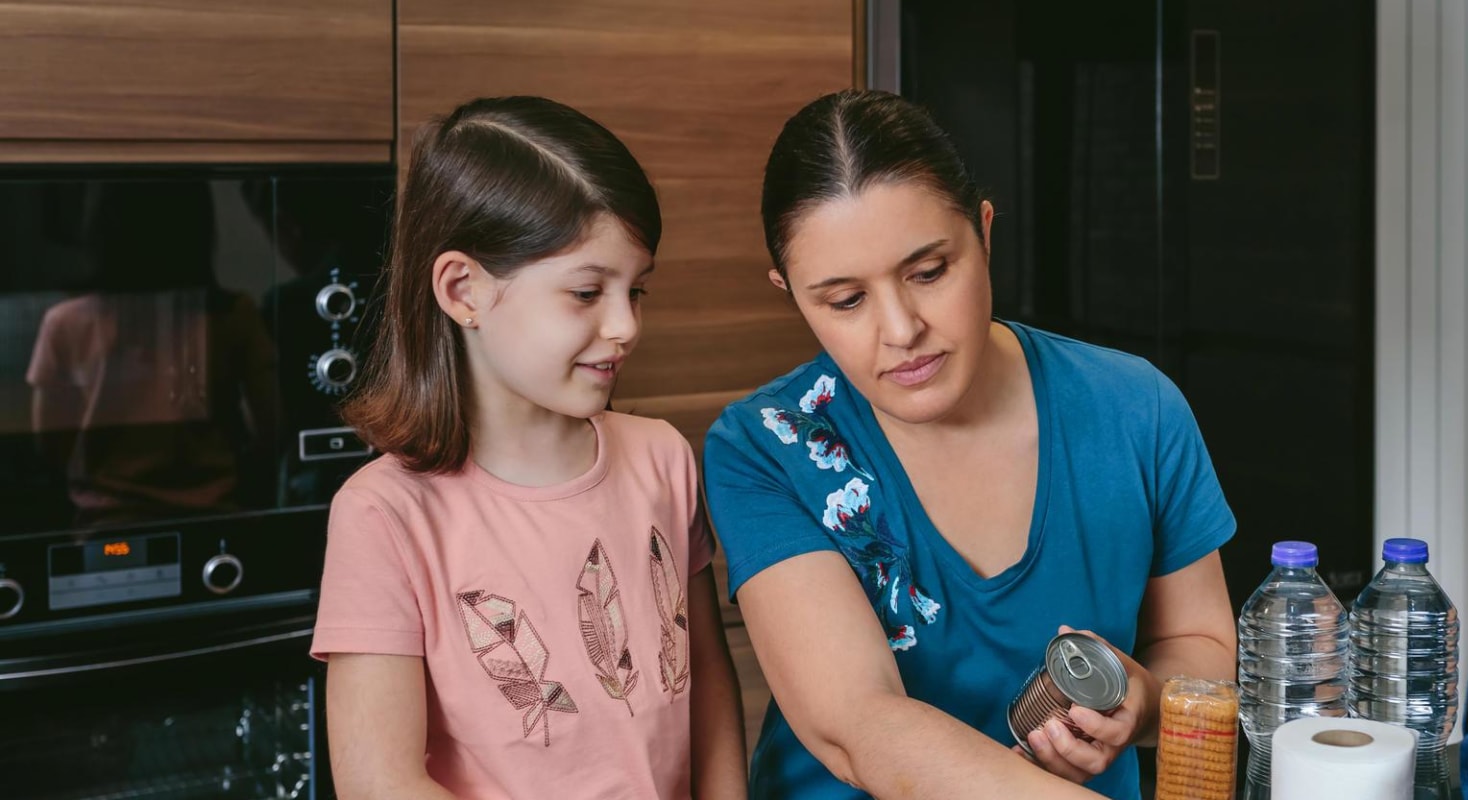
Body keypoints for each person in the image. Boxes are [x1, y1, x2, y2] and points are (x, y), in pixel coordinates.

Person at [703, 89, 1238, 799]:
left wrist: (1140, 701)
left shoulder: (1134, 408)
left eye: (928, 272)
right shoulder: (766, 445)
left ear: (983, 233)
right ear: (791, 293)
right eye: (846, 300)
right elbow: (861, 725)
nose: (901, 329)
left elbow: (1203, 650)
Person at [310, 96, 746, 800]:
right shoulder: (383, 515)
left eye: (637, 290)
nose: (626, 325)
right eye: (587, 292)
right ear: (464, 291)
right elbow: (378, 782)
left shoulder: (662, 459)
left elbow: (709, 693)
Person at [28, 180, 279, 526]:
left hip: (108, 522)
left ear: (100, 226)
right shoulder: (232, 313)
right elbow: (271, 428)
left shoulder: (65, 322)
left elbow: (50, 445)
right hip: (215, 517)